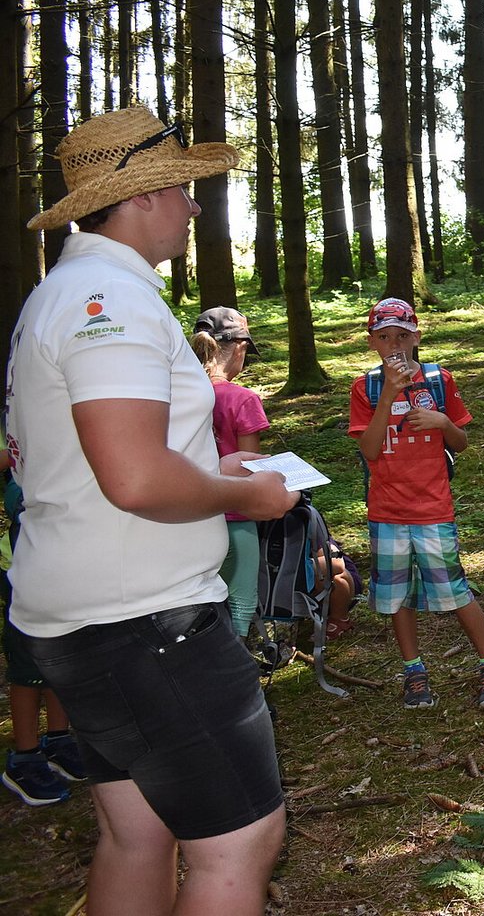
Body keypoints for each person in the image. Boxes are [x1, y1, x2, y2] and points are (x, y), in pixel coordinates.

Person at [4, 105, 298, 914]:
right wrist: (246, 495)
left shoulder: (65, 292)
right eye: (183, 189)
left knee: (138, 833)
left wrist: (207, 467)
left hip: (84, 615)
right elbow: (133, 479)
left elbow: (96, 456)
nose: (195, 206)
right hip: (145, 622)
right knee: (239, 843)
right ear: (141, 196)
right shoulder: (110, 300)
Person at [350, 297, 484, 710]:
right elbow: (369, 450)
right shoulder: (365, 388)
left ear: (416, 338)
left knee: (453, 588)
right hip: (387, 511)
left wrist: (442, 422)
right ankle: (414, 671)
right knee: (396, 596)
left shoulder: (439, 381)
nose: (394, 346)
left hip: (432, 508)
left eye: (402, 336)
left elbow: (461, 442)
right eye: (384, 338)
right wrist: (388, 396)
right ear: (372, 342)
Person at [1, 437, 86, 807]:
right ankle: (24, 756)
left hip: (63, 564)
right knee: (27, 667)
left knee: (62, 656)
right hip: (24, 567)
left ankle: (58, 738)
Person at [191, 307, 270, 637]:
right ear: (240, 347)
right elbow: (249, 466)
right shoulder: (242, 399)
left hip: (188, 514)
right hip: (235, 517)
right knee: (240, 604)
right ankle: (235, 661)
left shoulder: (177, 395)